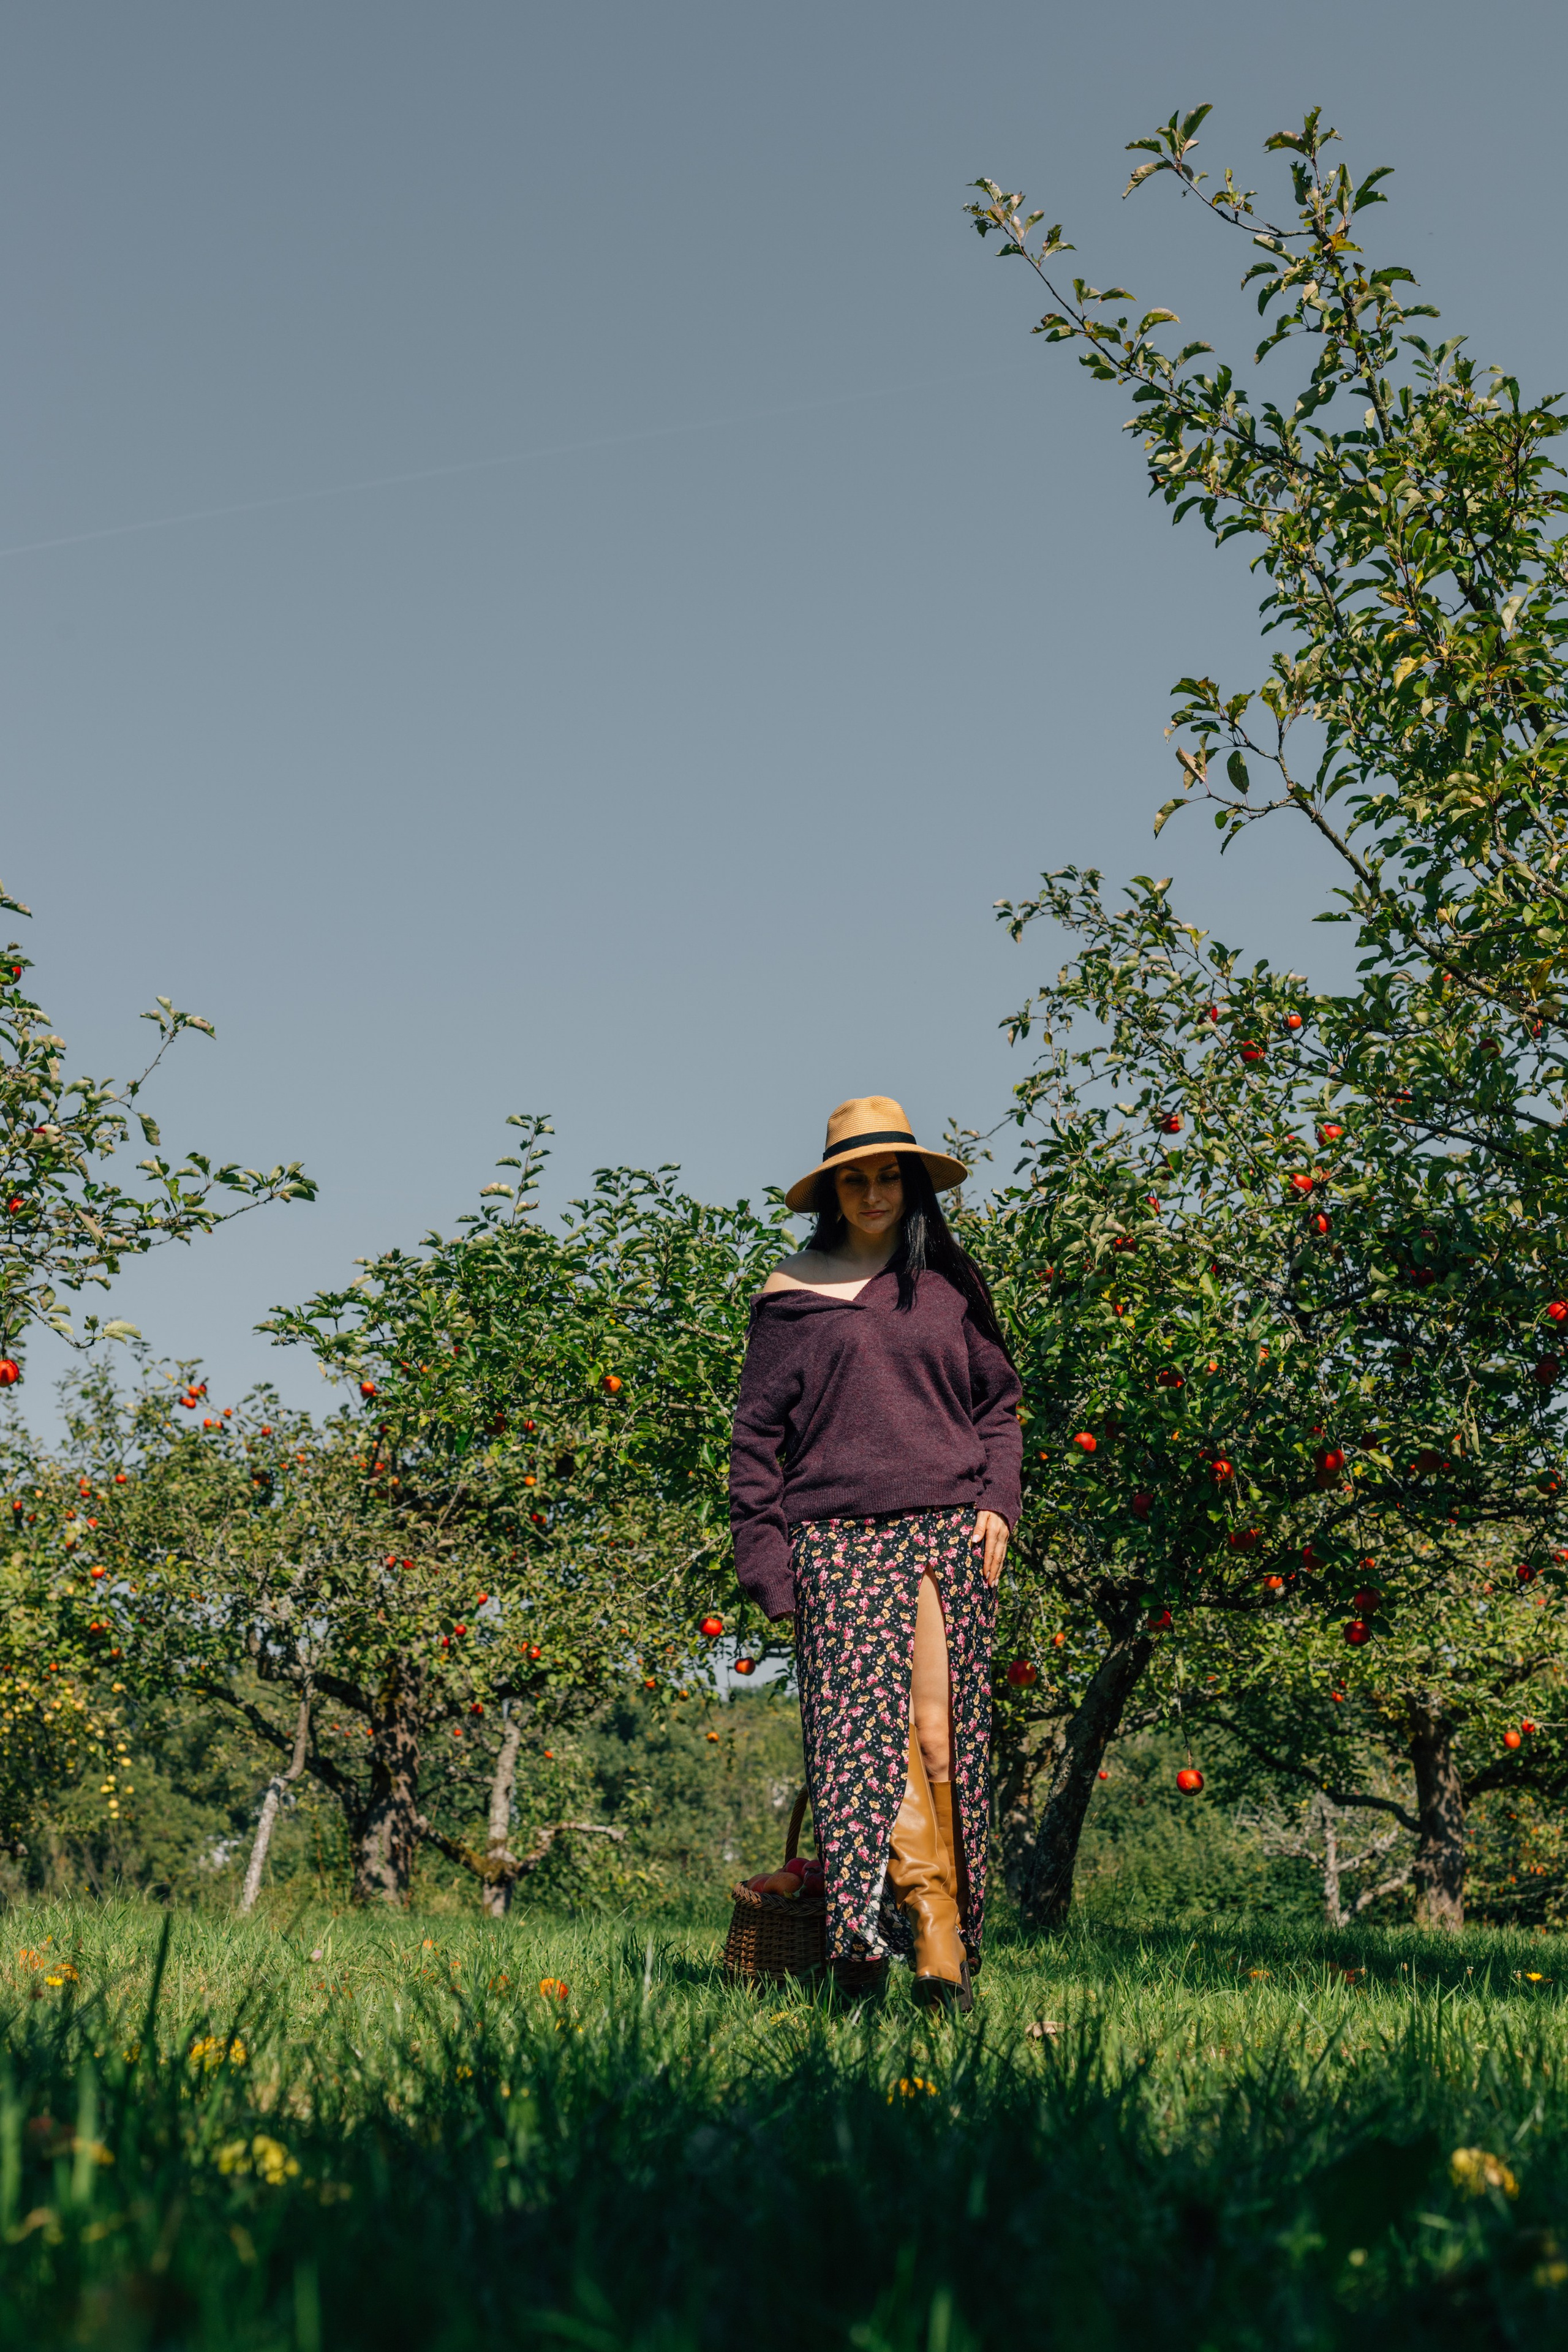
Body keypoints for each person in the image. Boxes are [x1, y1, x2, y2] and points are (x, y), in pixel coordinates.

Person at [728, 1095, 1021, 2010]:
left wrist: (999, 1503)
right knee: (868, 1745)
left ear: (912, 1183)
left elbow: (999, 1408)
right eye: (852, 1177)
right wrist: (767, 1560)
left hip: (945, 1531)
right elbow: (753, 1441)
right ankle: (915, 1937)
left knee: (940, 1743)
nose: (871, 1191)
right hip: (837, 1540)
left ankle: (945, 1934)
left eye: (887, 1173)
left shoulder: (946, 1286)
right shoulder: (791, 1295)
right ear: (831, 1190)